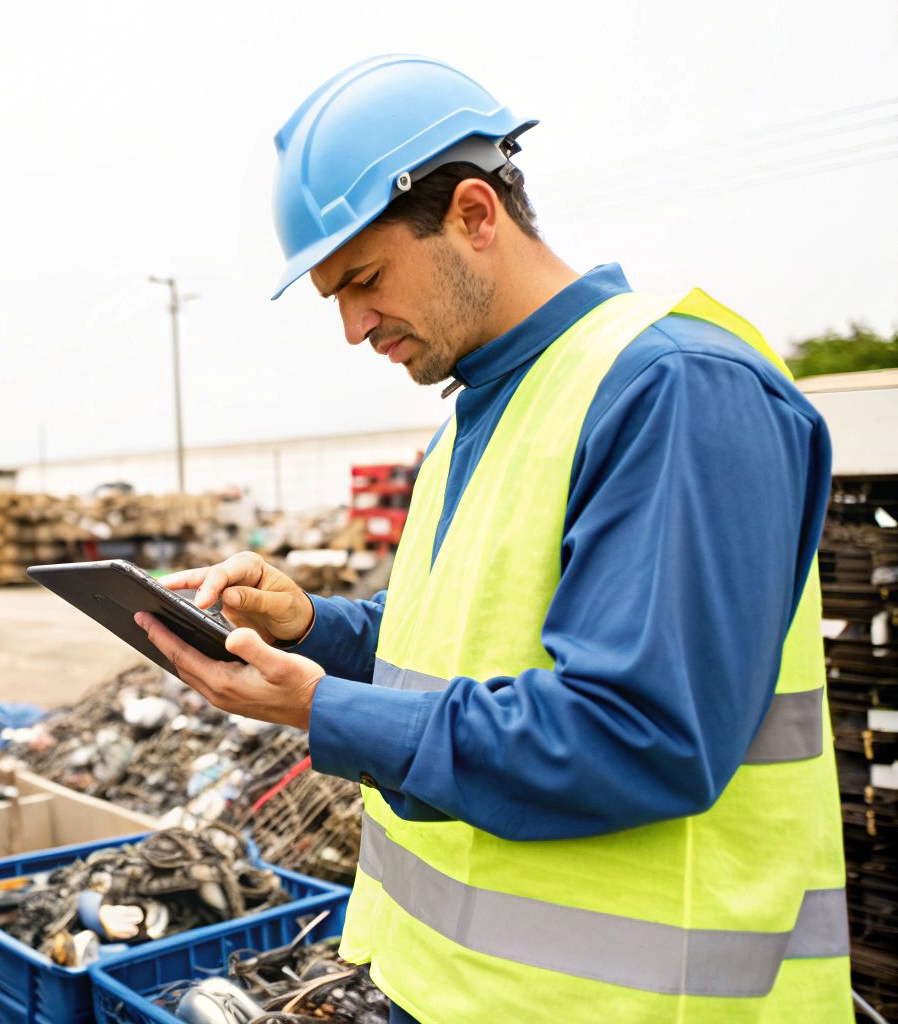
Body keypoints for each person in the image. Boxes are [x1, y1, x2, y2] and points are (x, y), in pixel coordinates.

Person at [134, 55, 850, 1022]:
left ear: (475, 213)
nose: (352, 328)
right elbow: (452, 645)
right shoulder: (479, 412)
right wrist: (310, 628)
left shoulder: (674, 388)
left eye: (366, 280)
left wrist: (323, 711)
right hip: (464, 995)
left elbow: (639, 734)